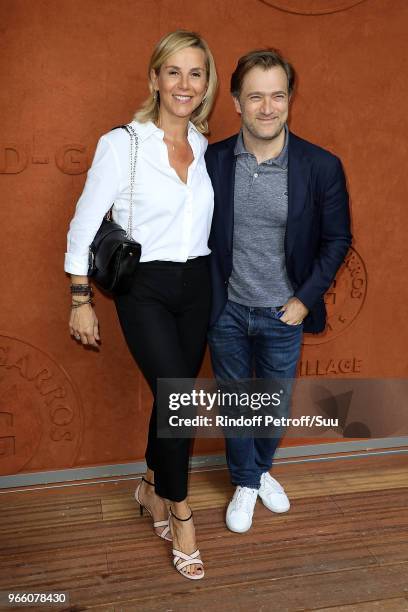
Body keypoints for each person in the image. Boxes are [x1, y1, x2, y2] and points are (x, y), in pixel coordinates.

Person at [64, 30, 218, 579]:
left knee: (171, 395)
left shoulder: (202, 145)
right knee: (180, 400)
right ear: (154, 78)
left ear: (206, 85)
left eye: (195, 73)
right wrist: (81, 298)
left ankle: (151, 485)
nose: (184, 84)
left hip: (197, 286)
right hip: (144, 289)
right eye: (172, 72)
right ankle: (180, 512)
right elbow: (85, 223)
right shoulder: (123, 143)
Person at [205, 49, 352, 533]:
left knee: (272, 404)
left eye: (277, 96)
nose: (267, 107)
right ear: (235, 102)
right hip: (226, 310)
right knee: (235, 403)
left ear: (289, 100)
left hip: (282, 312)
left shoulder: (320, 166)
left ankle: (260, 470)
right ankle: (246, 482)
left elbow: (337, 240)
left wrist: (304, 299)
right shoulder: (213, 161)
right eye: (255, 97)